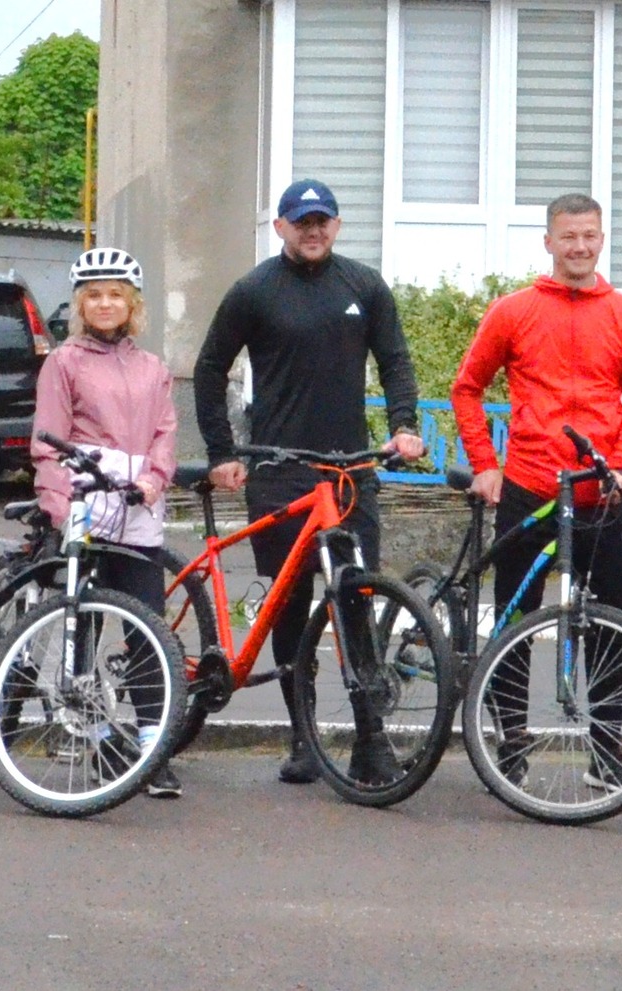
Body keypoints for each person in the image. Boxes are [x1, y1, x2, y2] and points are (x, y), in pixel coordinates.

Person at [193, 178, 428, 786]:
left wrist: (403, 426)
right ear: (281, 228)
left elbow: (395, 361)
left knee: (356, 600)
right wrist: (222, 452)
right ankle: (303, 736)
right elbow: (210, 368)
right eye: (302, 222)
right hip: (279, 471)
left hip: (349, 471)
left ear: (338, 226)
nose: (314, 230)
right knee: (290, 607)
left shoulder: (364, 286)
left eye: (323, 221)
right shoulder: (254, 291)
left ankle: (370, 739)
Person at [453, 192, 622, 786]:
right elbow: (467, 388)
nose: (580, 246)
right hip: (529, 487)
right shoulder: (514, 311)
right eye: (568, 236)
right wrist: (484, 465)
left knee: (609, 627)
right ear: (548, 242)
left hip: (600, 493)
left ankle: (606, 753)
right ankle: (510, 744)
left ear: (603, 239)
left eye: (589, 235)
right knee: (515, 623)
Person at [32, 245, 184, 797]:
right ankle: (95, 736)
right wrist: (59, 507)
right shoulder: (63, 362)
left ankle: (152, 745)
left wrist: (155, 480)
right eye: (93, 295)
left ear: (131, 304)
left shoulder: (153, 368)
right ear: (80, 304)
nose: (104, 303)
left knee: (147, 629)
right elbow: (47, 441)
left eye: (115, 295)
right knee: (85, 625)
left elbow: (165, 433)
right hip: (85, 498)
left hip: (137, 503)